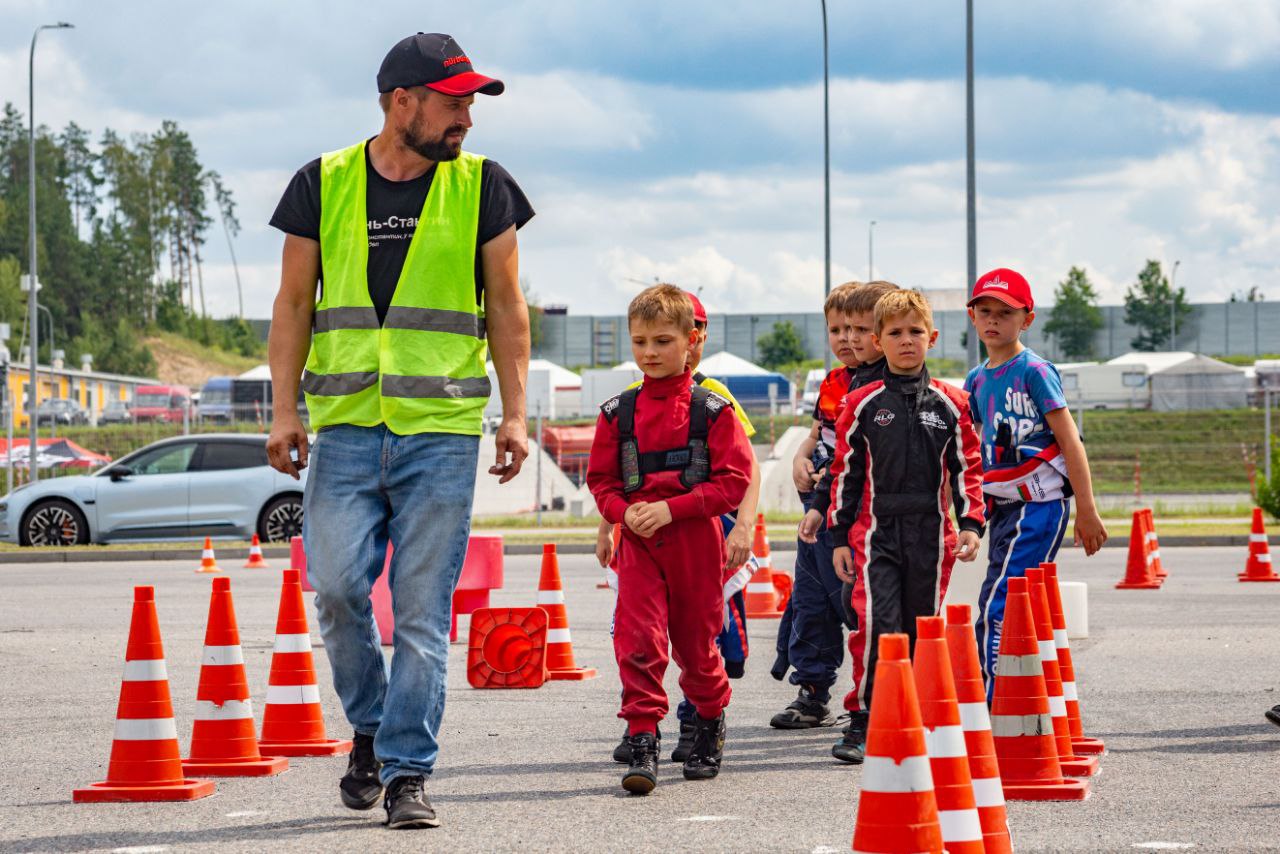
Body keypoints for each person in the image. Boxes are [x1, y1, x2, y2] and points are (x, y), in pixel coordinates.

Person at [265, 33, 533, 830]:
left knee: (420, 614)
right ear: (401, 101)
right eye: (455, 103)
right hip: (345, 426)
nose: (467, 120)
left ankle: (408, 770)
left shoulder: (484, 187)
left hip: (441, 429)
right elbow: (293, 305)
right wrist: (283, 410)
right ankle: (373, 728)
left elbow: (508, 308)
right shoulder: (322, 182)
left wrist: (516, 413)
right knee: (338, 590)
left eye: (471, 105)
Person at [587, 284, 753, 795]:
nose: (650, 352)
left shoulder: (713, 410)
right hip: (639, 546)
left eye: (662, 341)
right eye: (640, 342)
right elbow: (601, 481)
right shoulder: (617, 412)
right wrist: (622, 514)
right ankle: (643, 738)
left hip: (695, 545)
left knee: (697, 648)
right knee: (637, 640)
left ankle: (709, 718)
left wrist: (671, 509)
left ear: (691, 340)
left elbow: (734, 483)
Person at [824, 289, 985, 763]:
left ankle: (912, 717)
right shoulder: (861, 403)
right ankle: (865, 718)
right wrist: (839, 537)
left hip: (932, 536)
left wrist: (971, 523)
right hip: (874, 535)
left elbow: (968, 468)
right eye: (895, 333)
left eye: (916, 331)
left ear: (931, 338)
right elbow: (844, 474)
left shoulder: (953, 403)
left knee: (921, 628)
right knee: (877, 624)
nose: (906, 340)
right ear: (878, 341)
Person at [964, 268, 1107, 700]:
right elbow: (973, 451)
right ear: (972, 317)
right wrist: (971, 515)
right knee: (1015, 600)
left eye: (1005, 312)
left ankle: (994, 701)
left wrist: (1087, 510)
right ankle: (1025, 695)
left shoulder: (1035, 371)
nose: (993, 319)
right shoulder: (976, 379)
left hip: (1039, 504)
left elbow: (1070, 441)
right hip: (1002, 504)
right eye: (984, 311)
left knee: (999, 602)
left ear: (1027, 319)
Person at [772, 281, 896, 730]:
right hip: (819, 511)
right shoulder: (832, 382)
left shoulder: (887, 382)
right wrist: (800, 459)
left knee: (862, 607)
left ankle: (876, 697)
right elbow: (815, 435)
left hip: (861, 515)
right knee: (811, 603)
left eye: (858, 329)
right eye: (837, 329)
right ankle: (812, 691)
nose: (847, 338)